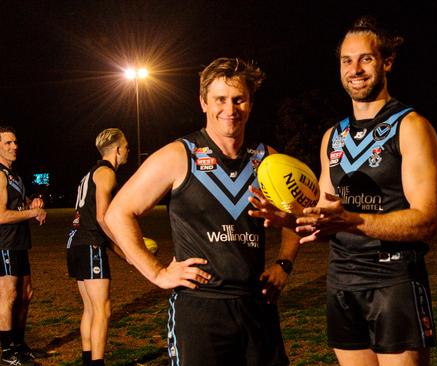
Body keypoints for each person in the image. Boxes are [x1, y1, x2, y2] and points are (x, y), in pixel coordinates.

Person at [251, 16, 437, 366]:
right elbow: (325, 220)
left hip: (394, 280)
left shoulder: (411, 126)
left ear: (387, 62)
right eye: (346, 60)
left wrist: (351, 220)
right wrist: (289, 218)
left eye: (365, 59)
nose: (355, 69)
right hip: (341, 282)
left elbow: (426, 221)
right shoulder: (332, 137)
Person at [105, 57, 298, 366]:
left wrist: (283, 264)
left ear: (250, 102)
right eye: (219, 99)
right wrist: (156, 272)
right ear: (203, 103)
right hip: (199, 309)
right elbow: (118, 213)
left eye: (239, 100)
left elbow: (296, 216)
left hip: (257, 305)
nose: (230, 109)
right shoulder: (179, 155)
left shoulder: (268, 160)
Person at [66, 128, 129, 366]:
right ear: (118, 149)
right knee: (103, 310)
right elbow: (103, 218)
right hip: (89, 243)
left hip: (75, 242)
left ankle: (87, 360)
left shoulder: (89, 173)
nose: (128, 151)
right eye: (126, 146)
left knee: (91, 309)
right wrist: (126, 248)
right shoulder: (106, 173)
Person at [0, 126, 47, 366]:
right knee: (8, 296)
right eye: (8, 143)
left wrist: (33, 202)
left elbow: (21, 204)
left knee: (26, 294)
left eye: (15, 142)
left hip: (20, 241)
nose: (14, 146)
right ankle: (8, 351)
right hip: (4, 242)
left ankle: (19, 344)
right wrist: (32, 212)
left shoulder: (14, 176)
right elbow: (1, 215)